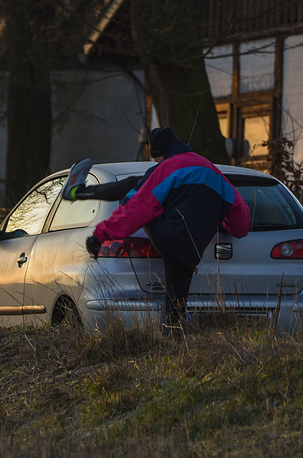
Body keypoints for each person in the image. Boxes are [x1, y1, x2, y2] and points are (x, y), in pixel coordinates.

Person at [62, 126, 251, 331]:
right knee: (176, 308)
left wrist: (100, 236)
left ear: (160, 154)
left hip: (168, 236)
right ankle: (174, 341)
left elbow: (137, 209)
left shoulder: (166, 168)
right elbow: (241, 224)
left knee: (137, 184)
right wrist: (214, 221)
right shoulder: (215, 173)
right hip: (192, 250)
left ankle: (76, 191)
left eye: (156, 159)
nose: (156, 163)